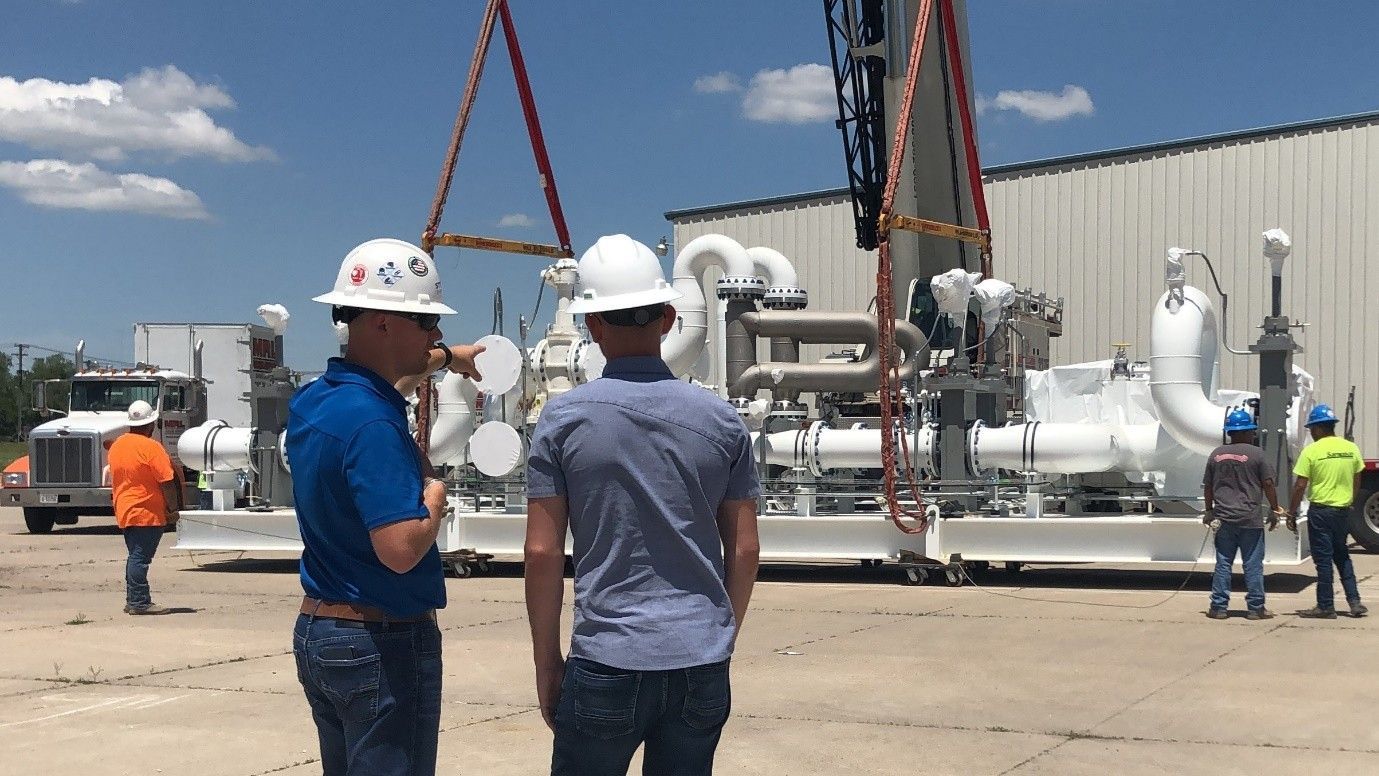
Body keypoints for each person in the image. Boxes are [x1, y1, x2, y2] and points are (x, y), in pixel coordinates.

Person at [525, 234, 761, 776]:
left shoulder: (563, 420)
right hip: (700, 656)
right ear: (669, 318)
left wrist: (547, 663)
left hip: (607, 656)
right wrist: (718, 637)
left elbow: (542, 553)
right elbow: (745, 550)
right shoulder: (722, 420)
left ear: (592, 325)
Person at [288, 237, 483, 775]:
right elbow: (399, 550)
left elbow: (398, 374)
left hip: (323, 632)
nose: (435, 333)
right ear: (382, 324)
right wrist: (435, 496)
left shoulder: (318, 399)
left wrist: (450, 358)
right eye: (427, 321)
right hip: (382, 643)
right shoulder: (374, 423)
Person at [1202, 409, 1285, 620]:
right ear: (1248, 432)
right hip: (1250, 520)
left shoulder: (1216, 455)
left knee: (1223, 563)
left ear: (1230, 432)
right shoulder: (1257, 454)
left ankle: (1218, 607)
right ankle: (1255, 608)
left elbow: (1208, 486)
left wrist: (1209, 510)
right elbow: (1268, 483)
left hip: (1224, 519)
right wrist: (1275, 509)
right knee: (1252, 565)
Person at [1288, 404, 1367, 619]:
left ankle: (1325, 606)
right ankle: (1354, 602)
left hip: (1321, 512)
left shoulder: (1312, 451)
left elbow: (1300, 485)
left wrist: (1291, 512)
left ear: (1319, 428)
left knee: (1323, 560)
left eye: (1312, 429)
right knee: (1342, 555)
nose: (1312, 433)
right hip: (1342, 511)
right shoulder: (1350, 448)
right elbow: (1357, 478)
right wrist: (1349, 500)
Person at [108, 399, 181, 615]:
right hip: (147, 513)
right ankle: (140, 602)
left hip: (125, 509)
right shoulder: (152, 448)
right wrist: (173, 509)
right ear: (151, 424)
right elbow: (167, 481)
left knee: (135, 556)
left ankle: (133, 599)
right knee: (140, 558)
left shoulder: (117, 446)